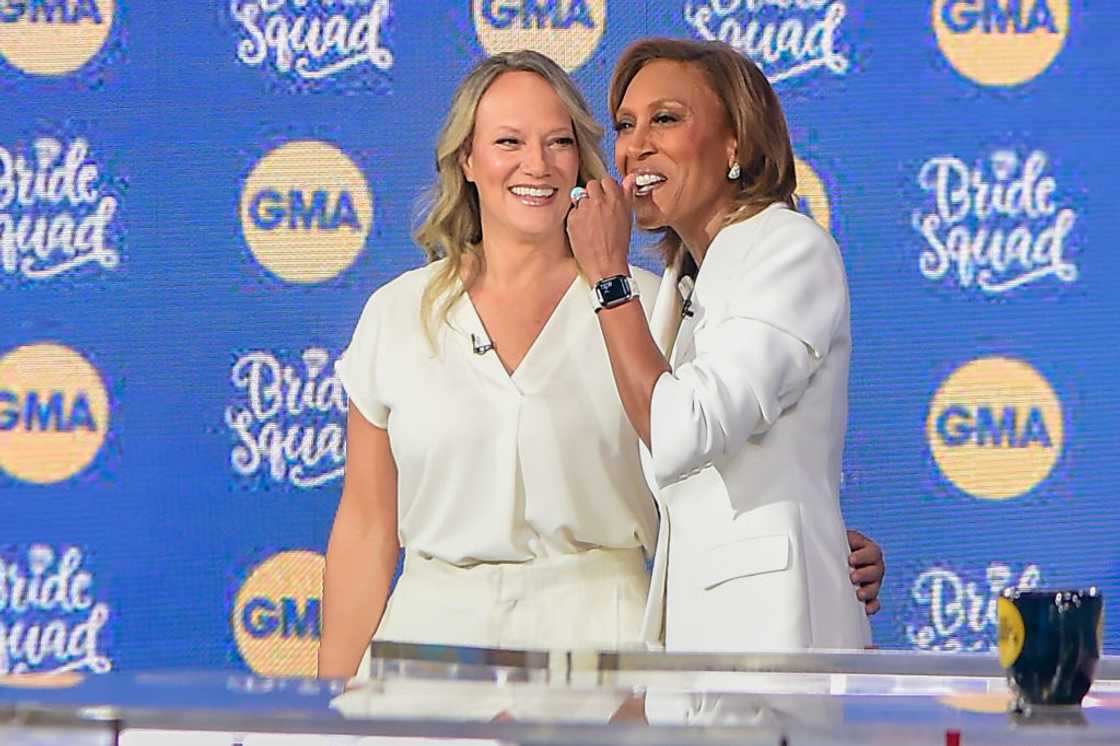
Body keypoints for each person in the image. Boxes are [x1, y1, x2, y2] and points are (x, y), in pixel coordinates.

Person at [318, 50, 882, 680]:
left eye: (559, 141)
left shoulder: (652, 303)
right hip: (427, 649)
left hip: (608, 653)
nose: (536, 164)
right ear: (467, 160)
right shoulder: (396, 314)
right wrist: (323, 708)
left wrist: (821, 545)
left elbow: (707, 443)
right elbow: (366, 526)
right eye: (508, 141)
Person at [566, 37, 871, 651]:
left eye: (666, 119)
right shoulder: (680, 285)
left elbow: (682, 431)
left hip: (773, 637)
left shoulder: (788, 248)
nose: (635, 145)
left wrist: (607, 276)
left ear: (736, 142)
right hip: (698, 638)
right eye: (626, 124)